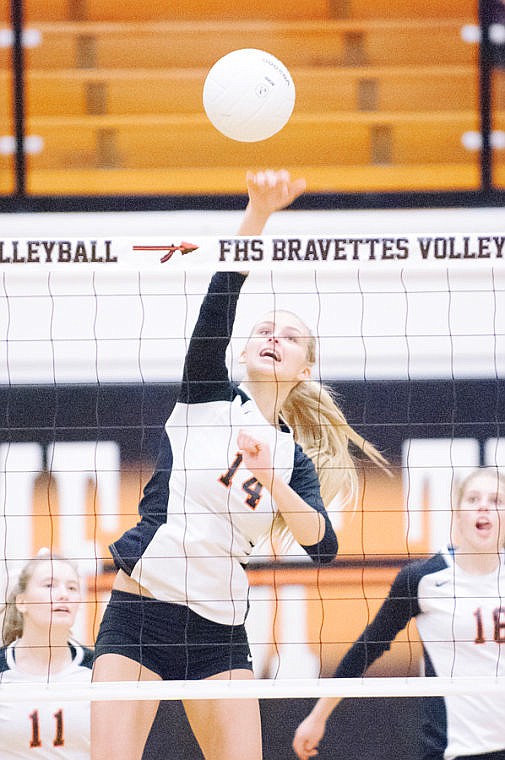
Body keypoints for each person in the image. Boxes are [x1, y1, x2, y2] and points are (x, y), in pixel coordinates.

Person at [91, 169, 387, 760]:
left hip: (218, 633)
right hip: (141, 610)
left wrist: (273, 476)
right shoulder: (206, 395)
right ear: (243, 351)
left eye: (291, 336)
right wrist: (258, 212)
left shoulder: (293, 459)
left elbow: (321, 546)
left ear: (304, 367)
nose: (274, 337)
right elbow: (223, 291)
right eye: (263, 330)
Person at [292, 467, 505, 760]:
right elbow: (368, 647)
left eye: (496, 500)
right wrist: (318, 716)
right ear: (457, 513)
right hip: (455, 750)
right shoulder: (424, 579)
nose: (484, 506)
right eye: (473, 498)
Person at [0, 549, 93, 759]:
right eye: (49, 585)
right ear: (22, 602)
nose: (63, 594)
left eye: (72, 587)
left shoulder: (97, 670)